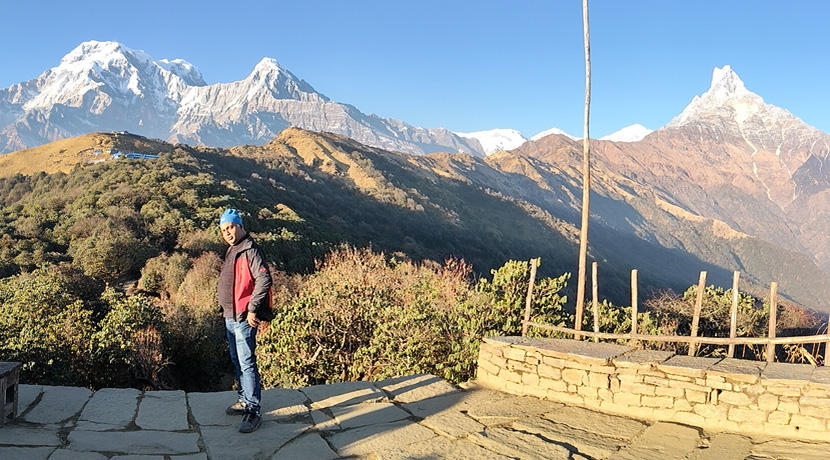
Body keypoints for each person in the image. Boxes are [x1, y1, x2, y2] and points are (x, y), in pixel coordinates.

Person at [217, 208, 272, 433]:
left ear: (239, 225)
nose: (227, 233)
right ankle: (243, 399)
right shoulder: (233, 249)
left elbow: (264, 279)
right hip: (229, 316)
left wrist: (252, 310)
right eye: (223, 230)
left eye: (230, 227)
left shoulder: (250, 249)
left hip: (242, 317)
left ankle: (253, 409)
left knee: (247, 362)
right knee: (236, 360)